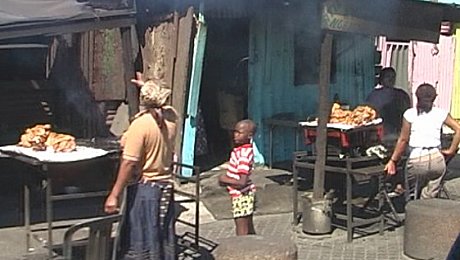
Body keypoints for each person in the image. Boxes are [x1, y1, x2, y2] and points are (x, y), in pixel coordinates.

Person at [104, 72, 178, 259]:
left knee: (142, 240)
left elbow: (129, 162)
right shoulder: (171, 117)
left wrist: (114, 194)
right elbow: (161, 107)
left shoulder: (141, 125)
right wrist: (146, 85)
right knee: (160, 238)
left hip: (146, 190)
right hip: (165, 186)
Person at [385, 83, 460, 199]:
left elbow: (403, 140)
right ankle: (427, 213)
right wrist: (451, 150)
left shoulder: (410, 114)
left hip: (417, 159)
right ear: (435, 97)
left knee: (411, 194)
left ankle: (412, 210)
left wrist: (393, 160)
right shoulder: (441, 113)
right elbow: (458, 129)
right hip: (437, 159)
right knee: (429, 196)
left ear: (416, 97)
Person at [367, 67, 411, 194]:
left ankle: (388, 184)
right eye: (389, 77)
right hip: (385, 135)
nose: (391, 80)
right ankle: (392, 184)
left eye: (392, 77)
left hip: (392, 135)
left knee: (392, 160)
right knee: (396, 160)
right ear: (382, 79)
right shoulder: (399, 94)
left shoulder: (399, 95)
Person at [218, 119, 257, 236]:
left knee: (242, 228)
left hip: (242, 196)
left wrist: (223, 179)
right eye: (235, 132)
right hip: (243, 194)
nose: (235, 135)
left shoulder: (244, 154)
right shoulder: (240, 151)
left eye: (239, 133)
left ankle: (242, 252)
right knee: (248, 226)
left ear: (249, 135)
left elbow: (242, 182)